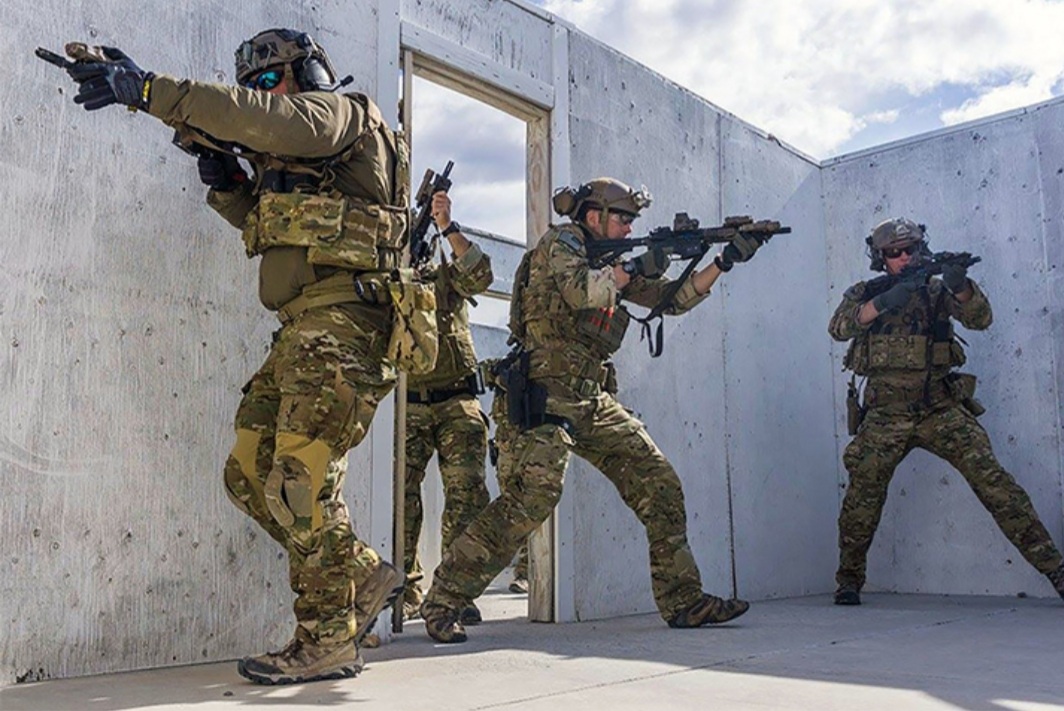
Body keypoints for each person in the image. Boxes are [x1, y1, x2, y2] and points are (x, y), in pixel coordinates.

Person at [62, 29, 413, 683]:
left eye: (269, 80)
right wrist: (227, 185)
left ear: (307, 74)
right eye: (252, 84)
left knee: (301, 481)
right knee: (249, 471)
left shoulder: (341, 114)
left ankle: (327, 640)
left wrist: (149, 91)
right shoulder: (302, 153)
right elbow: (271, 228)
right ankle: (361, 574)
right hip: (302, 328)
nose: (261, 94)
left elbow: (256, 118)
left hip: (344, 324)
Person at [419, 177, 771, 642]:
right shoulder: (561, 243)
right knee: (532, 498)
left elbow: (673, 299)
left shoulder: (612, 260)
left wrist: (724, 261)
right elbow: (582, 291)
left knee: (658, 482)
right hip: (543, 391)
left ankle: (684, 600)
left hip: (590, 396)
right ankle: (444, 599)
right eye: (623, 220)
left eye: (631, 222)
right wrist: (636, 265)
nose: (628, 229)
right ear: (593, 216)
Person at [829, 217, 1064, 605]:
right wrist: (883, 302)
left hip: (939, 408)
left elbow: (980, 319)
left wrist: (960, 285)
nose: (904, 258)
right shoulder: (867, 292)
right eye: (894, 253)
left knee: (996, 484)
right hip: (886, 414)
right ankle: (849, 580)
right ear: (880, 257)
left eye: (909, 250)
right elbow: (838, 328)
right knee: (863, 496)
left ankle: (1055, 569)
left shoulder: (936, 291)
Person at [402, 194, 494, 625]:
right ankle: (404, 590)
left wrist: (447, 226)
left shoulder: (447, 275)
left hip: (458, 400)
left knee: (467, 496)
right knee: (401, 499)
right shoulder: (392, 276)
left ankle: (454, 591)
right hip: (409, 404)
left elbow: (481, 273)